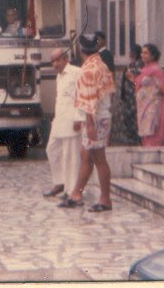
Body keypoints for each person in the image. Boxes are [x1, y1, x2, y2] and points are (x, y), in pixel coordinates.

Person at [58, 34, 115, 213]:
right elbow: (110, 91)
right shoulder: (102, 65)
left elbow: (90, 101)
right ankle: (76, 194)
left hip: (95, 118)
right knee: (86, 156)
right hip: (101, 115)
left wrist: (89, 124)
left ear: (81, 50)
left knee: (98, 159)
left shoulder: (88, 70)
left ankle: (105, 200)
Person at [43, 47, 81, 198]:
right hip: (60, 120)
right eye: (53, 61)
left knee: (70, 155)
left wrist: (79, 117)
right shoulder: (59, 76)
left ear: (66, 59)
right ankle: (59, 182)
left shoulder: (76, 73)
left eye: (58, 60)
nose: (55, 64)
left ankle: (71, 190)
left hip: (72, 120)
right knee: (52, 150)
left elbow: (80, 96)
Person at [132, 44, 164, 146]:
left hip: (152, 106)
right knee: (145, 132)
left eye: (146, 53)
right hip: (143, 107)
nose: (142, 55)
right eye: (142, 52)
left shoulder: (156, 71)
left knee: (152, 130)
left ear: (153, 56)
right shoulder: (144, 70)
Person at [111, 43, 141, 144]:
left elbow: (134, 80)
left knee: (132, 120)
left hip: (133, 98)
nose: (130, 54)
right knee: (130, 119)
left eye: (132, 52)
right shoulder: (132, 64)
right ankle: (132, 140)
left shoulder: (137, 65)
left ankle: (134, 140)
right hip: (129, 97)